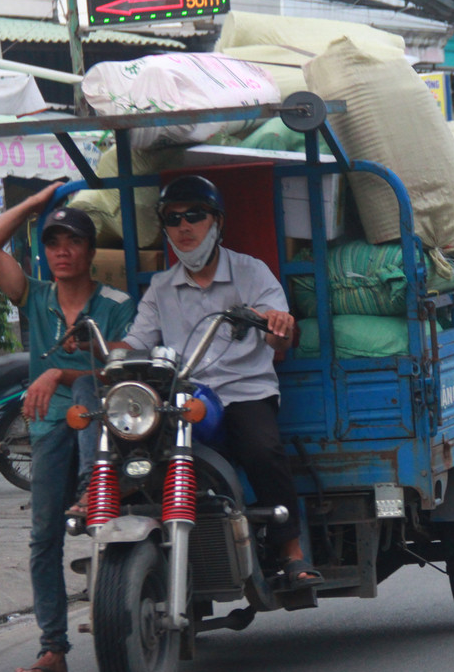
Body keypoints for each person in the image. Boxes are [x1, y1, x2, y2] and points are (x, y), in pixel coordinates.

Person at [118, 174, 322, 588]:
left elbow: (280, 334)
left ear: (217, 222)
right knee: (142, 452)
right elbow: (136, 344)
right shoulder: (160, 288)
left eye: (195, 215)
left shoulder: (251, 272)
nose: (184, 226)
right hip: (187, 397)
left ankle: (292, 553)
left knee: (263, 449)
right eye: (173, 218)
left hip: (245, 391)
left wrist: (279, 323)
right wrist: (102, 351)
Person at [0, 183, 136, 672]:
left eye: (73, 242)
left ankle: (93, 491)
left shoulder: (116, 303)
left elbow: (124, 367)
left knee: (88, 387)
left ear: (90, 252)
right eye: (53, 242)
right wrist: (34, 205)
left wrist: (63, 371)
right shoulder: (36, 296)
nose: (62, 251)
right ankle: (53, 650)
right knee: (43, 538)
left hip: (104, 427)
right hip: (48, 429)